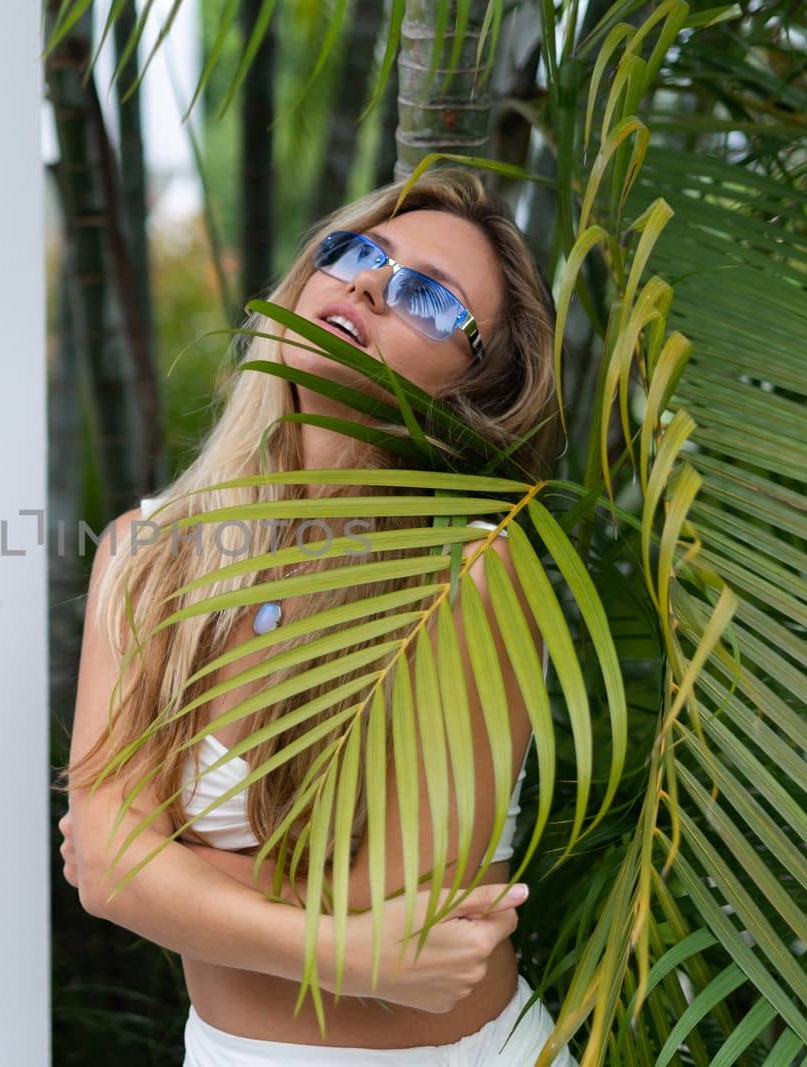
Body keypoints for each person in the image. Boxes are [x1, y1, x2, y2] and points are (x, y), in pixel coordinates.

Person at [55, 167, 577, 1065]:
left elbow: (390, 914)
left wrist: (165, 868)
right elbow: (106, 871)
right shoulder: (146, 553)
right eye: (358, 252)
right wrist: (340, 947)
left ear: (475, 383)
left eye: (427, 296)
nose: (370, 283)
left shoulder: (476, 571)